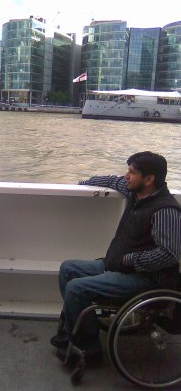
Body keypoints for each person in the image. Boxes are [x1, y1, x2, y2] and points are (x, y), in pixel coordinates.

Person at [50, 151, 181, 363]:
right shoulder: (136, 195)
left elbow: (168, 254)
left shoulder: (165, 210)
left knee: (76, 288)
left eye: (132, 172)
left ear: (149, 179)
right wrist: (82, 183)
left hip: (145, 280)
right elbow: (113, 181)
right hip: (119, 267)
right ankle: (83, 331)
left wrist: (129, 260)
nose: (126, 175)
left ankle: (89, 350)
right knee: (68, 269)